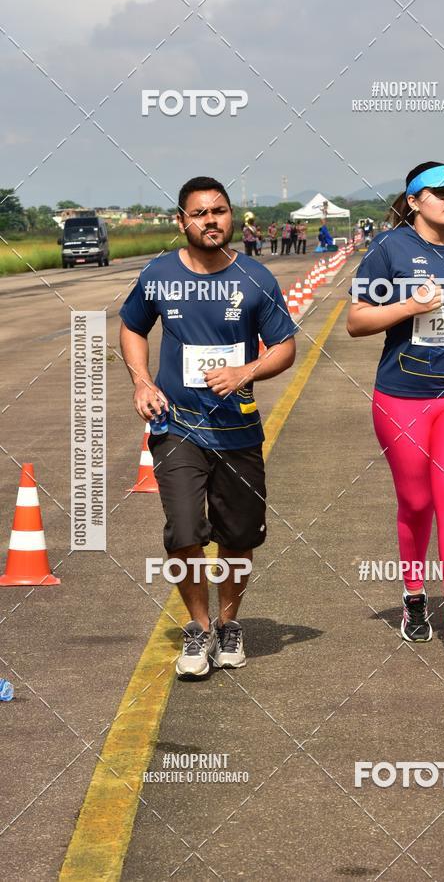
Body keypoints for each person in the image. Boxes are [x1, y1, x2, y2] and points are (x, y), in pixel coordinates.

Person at [119, 176, 297, 678]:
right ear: (182, 221)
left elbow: (285, 346)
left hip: (237, 429)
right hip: (176, 426)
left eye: (219, 211)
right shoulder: (158, 275)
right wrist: (141, 382)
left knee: (238, 535)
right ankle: (197, 628)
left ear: (231, 217)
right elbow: (132, 325)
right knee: (183, 530)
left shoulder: (256, 278)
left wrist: (248, 370)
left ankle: (228, 624)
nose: (211, 220)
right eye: (200, 213)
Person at [347, 161, 444, 659]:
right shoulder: (390, 249)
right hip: (402, 394)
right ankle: (414, 596)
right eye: (441, 193)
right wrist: (409, 307)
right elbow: (357, 320)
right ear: (413, 201)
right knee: (416, 503)